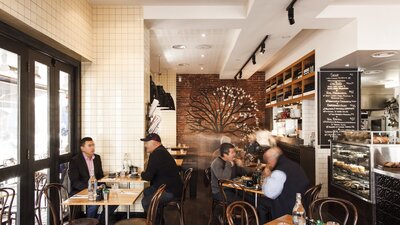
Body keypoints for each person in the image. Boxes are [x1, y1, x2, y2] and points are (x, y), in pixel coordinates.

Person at [68, 137, 118, 223]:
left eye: (93, 145)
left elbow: (100, 176)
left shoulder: (97, 158)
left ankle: (100, 221)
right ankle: (89, 222)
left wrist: (102, 186)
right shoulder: (75, 160)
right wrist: (90, 188)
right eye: (89, 145)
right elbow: (74, 182)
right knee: (94, 204)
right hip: (82, 189)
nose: (92, 148)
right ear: (82, 148)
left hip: (97, 188)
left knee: (115, 198)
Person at [257, 147, 309, 223]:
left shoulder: (279, 171)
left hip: (289, 207)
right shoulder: (293, 164)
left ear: (272, 159)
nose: (268, 163)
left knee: (260, 203)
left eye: (268, 161)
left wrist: (267, 177)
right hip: (301, 202)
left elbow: (270, 194)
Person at [140, 133, 183, 224]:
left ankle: (155, 222)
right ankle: (159, 220)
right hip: (172, 187)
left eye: (147, 142)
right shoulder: (161, 151)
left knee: (146, 202)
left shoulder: (157, 154)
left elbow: (148, 176)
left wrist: (141, 173)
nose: (145, 145)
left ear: (154, 142)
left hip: (170, 191)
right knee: (147, 191)